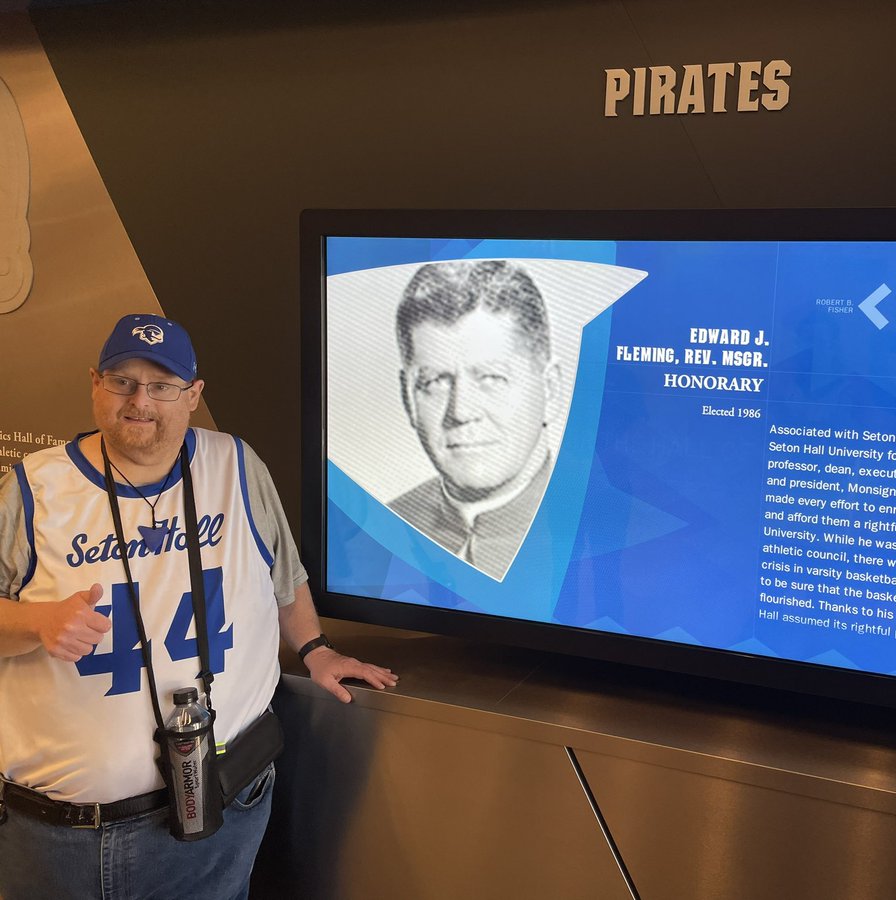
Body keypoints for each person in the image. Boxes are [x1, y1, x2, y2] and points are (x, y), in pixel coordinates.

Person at [0, 313, 398, 900]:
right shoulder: (33, 489)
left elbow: (282, 576)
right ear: (94, 384)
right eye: (123, 382)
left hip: (221, 811)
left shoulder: (236, 465)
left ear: (193, 395)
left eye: (162, 386)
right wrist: (36, 621)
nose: (141, 401)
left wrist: (314, 649)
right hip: (68, 842)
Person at [389, 260, 562, 581]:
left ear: (550, 389)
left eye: (491, 378)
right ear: (408, 398)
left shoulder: (618, 533)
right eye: (435, 382)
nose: (461, 412)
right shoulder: (381, 529)